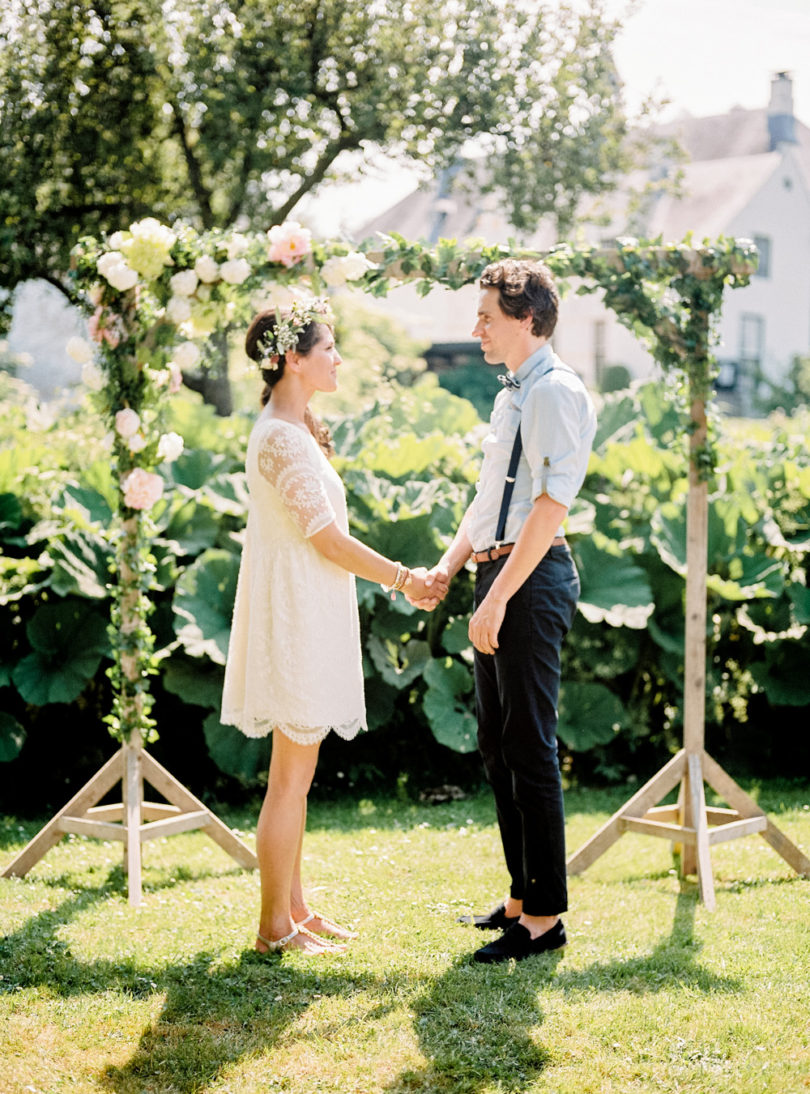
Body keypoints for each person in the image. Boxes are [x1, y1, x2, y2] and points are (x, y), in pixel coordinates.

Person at [221, 298, 446, 956]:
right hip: (295, 614)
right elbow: (327, 539)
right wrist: (406, 578)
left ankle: (296, 909)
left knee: (300, 772)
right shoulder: (281, 438)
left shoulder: (291, 427)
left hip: (308, 607)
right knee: (288, 779)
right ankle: (273, 929)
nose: (340, 358)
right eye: (329, 349)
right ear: (293, 359)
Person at [413, 258, 597, 963]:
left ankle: (545, 919)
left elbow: (550, 508)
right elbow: (492, 503)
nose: (476, 328)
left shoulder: (555, 393)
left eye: (487, 316)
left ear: (527, 319)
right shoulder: (510, 396)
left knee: (530, 746)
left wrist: (497, 596)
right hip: (497, 572)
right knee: (497, 743)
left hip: (531, 576)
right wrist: (450, 566)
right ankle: (522, 897)